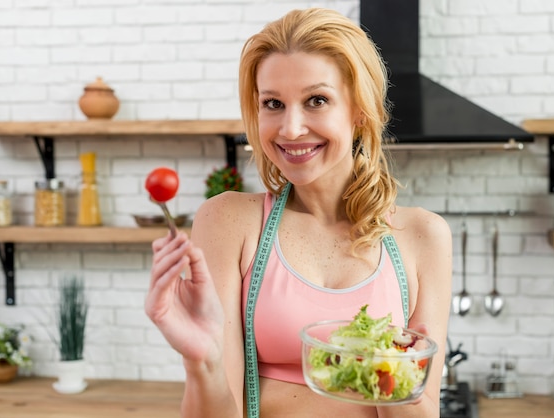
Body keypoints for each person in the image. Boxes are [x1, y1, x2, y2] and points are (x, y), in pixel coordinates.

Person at [145, 7, 452, 418]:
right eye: (273, 103)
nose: (290, 128)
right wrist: (203, 363)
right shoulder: (230, 222)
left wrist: (394, 377)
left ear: (359, 110)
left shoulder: (422, 236)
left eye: (317, 100)